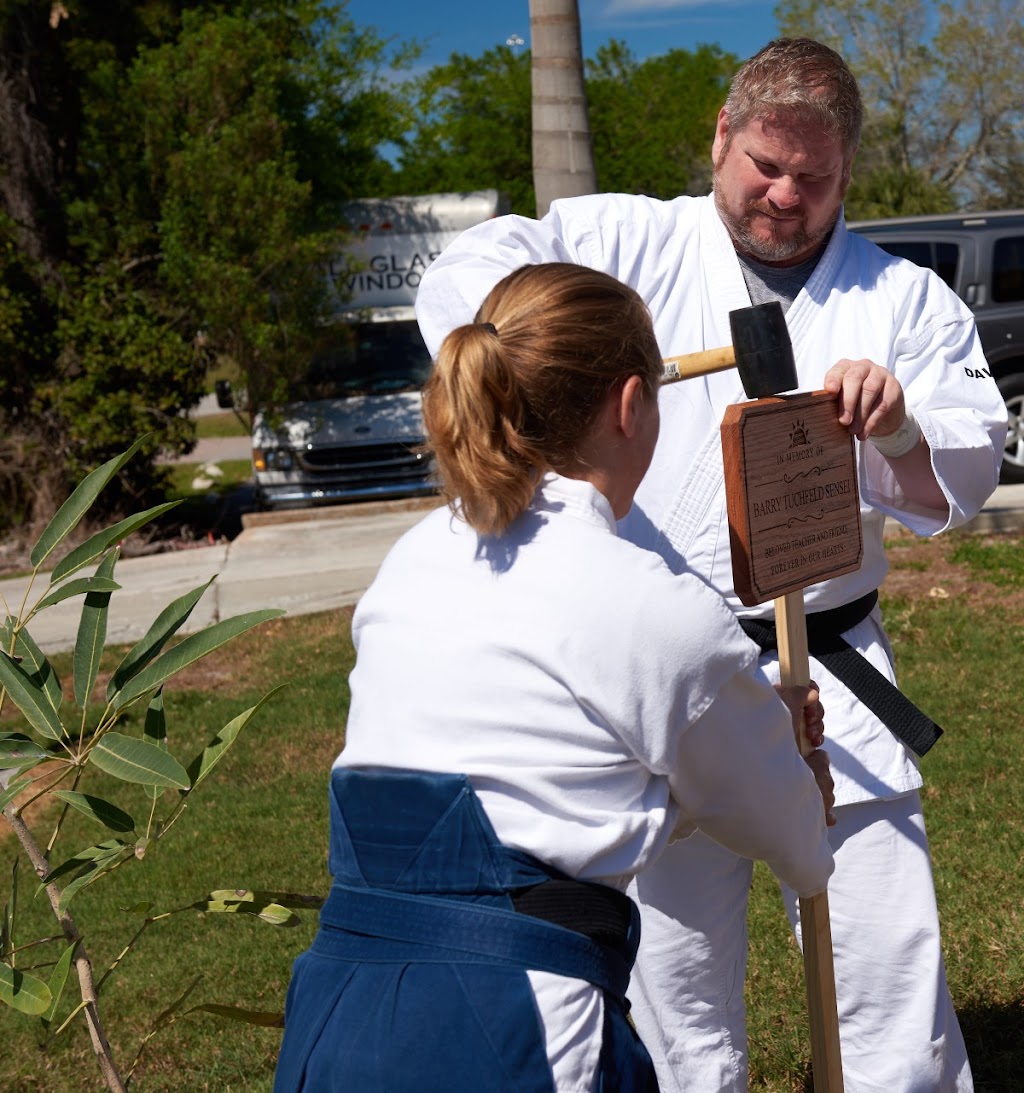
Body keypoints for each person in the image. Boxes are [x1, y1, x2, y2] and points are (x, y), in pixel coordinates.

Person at [413, 39, 1008, 1093]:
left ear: (846, 173)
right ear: (720, 139)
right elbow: (474, 272)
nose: (785, 196)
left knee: (889, 989)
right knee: (676, 993)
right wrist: (521, 352)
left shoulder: (900, 298)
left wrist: (902, 426)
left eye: (813, 179)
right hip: (661, 672)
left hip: (834, 674)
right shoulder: (618, 240)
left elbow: (965, 464)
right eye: (763, 168)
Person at [273, 262, 836, 1093]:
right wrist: (786, 757)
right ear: (630, 403)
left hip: (337, 1016)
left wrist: (694, 768)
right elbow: (796, 842)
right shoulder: (657, 610)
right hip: (510, 1030)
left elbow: (536, 784)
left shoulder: (413, 560)